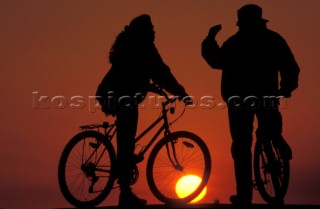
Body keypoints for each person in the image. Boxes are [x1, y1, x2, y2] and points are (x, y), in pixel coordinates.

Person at [201, 4, 300, 206]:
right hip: (266, 95)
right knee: (268, 128)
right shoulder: (273, 39)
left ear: (242, 22)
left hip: (239, 100)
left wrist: (210, 39)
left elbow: (215, 61)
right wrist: (287, 87)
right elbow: (290, 65)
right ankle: (277, 140)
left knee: (241, 146)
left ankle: (244, 195)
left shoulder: (234, 43)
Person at [96, 14, 191, 208]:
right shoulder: (142, 47)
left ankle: (124, 174)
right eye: (151, 28)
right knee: (126, 140)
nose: (154, 32)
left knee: (127, 136)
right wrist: (180, 92)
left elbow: (138, 73)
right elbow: (160, 72)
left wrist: (149, 87)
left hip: (115, 93)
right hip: (119, 96)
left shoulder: (132, 44)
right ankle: (125, 192)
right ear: (144, 31)